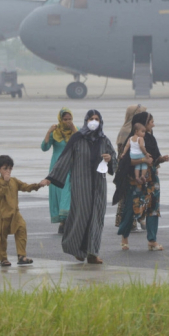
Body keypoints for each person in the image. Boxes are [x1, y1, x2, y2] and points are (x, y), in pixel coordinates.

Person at [39, 110, 117, 264]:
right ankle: (78, 250)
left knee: (96, 218)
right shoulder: (77, 139)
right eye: (91, 119)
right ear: (86, 120)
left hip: (99, 186)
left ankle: (92, 253)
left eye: (97, 119)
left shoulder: (104, 140)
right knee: (80, 217)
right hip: (81, 185)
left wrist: (110, 159)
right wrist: (50, 178)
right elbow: (64, 159)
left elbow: (114, 159)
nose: (94, 121)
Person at [114, 111, 169, 251]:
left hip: (151, 179)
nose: (153, 124)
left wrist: (161, 159)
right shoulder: (131, 140)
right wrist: (143, 160)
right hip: (135, 180)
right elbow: (125, 161)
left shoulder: (150, 139)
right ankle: (124, 237)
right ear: (143, 124)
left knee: (153, 209)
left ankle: (152, 240)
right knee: (131, 208)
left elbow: (154, 158)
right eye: (151, 122)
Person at [0, 155, 45, 266]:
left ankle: (21, 256)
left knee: (22, 228)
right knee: (2, 237)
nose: (8, 171)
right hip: (3, 215)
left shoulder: (14, 181)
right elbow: (0, 193)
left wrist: (38, 185)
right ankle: (3, 259)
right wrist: (6, 182)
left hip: (15, 213)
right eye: (5, 169)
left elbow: (25, 187)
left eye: (10, 168)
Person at [41, 107, 76, 234]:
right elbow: (44, 147)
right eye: (65, 119)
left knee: (68, 191)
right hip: (57, 166)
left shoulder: (74, 131)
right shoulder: (55, 132)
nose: (68, 121)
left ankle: (65, 220)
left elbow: (81, 143)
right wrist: (48, 132)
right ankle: (62, 221)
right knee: (59, 193)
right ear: (60, 119)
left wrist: (73, 129)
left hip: (71, 166)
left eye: (70, 119)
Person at [115, 104, 147, 230]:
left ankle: (136, 218)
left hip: (135, 165)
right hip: (129, 167)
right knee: (129, 194)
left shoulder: (129, 129)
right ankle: (130, 221)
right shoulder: (128, 131)